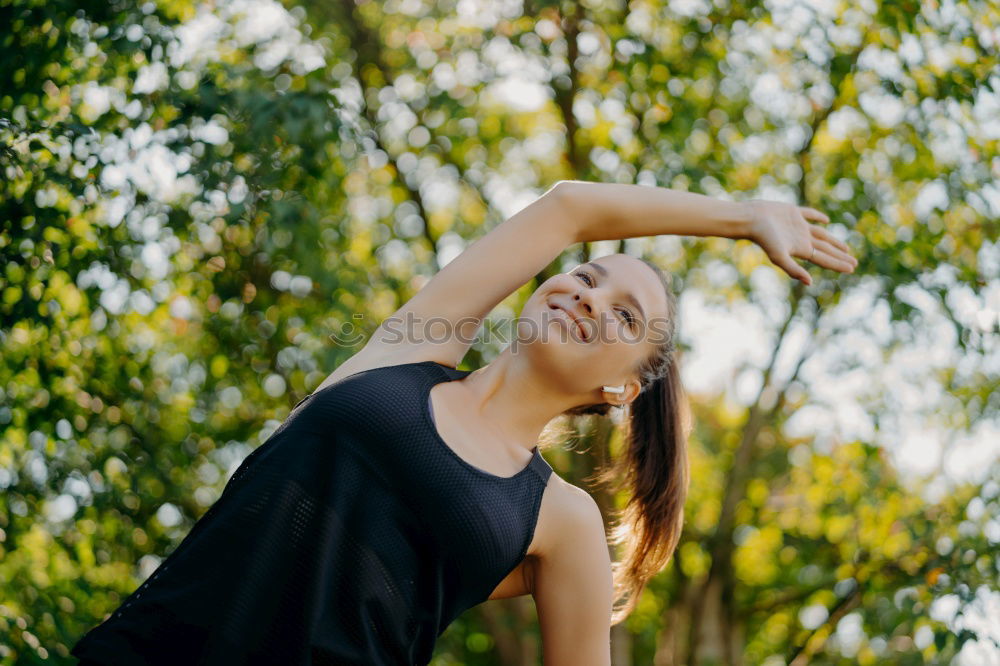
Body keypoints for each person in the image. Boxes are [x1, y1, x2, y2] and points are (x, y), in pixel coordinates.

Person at [71, 180, 856, 665]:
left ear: (621, 388)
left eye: (622, 315)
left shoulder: (560, 518)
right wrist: (742, 216)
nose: (587, 296)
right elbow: (571, 207)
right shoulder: (407, 353)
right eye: (585, 277)